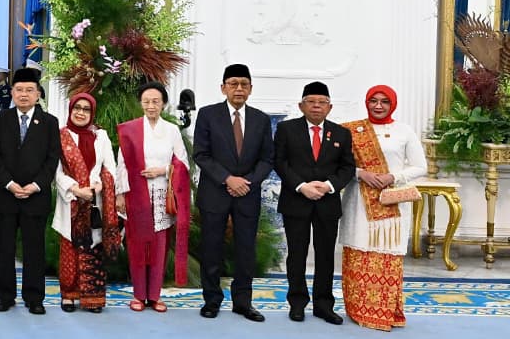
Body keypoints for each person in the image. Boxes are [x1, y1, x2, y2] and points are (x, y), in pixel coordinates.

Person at [192, 64, 274, 322]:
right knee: (211, 248)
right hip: (215, 192)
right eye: (233, 84)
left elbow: (267, 159)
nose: (239, 89)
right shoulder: (208, 115)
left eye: (244, 84)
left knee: (246, 250)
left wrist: (246, 182)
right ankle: (211, 300)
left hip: (247, 193)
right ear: (223, 88)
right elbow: (201, 154)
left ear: (251, 89)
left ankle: (243, 303)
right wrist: (228, 179)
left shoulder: (261, 119)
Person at [339, 85, 424, 331]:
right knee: (359, 252)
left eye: (384, 101)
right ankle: (358, 310)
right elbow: (339, 165)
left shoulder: (404, 131)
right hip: (358, 202)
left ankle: (385, 312)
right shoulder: (351, 130)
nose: (378, 106)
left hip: (391, 206)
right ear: (366, 103)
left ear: (392, 104)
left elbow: (420, 167)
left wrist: (393, 176)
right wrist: (361, 173)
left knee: (387, 254)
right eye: (373, 101)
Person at [273, 81, 356, 325]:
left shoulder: (341, 133)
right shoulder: (286, 129)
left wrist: (329, 186)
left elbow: (347, 167)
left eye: (322, 102)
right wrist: (302, 186)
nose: (316, 106)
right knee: (296, 255)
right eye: (311, 102)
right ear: (301, 106)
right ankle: (297, 303)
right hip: (296, 201)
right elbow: (280, 162)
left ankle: (323, 305)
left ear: (330, 107)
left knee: (326, 255)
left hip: (327, 203)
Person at [0, 67, 59, 315]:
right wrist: (9, 184)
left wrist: (35, 185)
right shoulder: (0, 120)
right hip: (7, 194)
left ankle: (34, 297)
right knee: (5, 250)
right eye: (19, 90)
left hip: (36, 196)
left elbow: (52, 159)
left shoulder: (50, 123)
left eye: (30, 90)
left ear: (38, 94)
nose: (24, 94)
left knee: (34, 249)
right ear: (12, 93)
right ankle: (4, 296)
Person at [116, 81, 191, 313]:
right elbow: (121, 164)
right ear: (141, 103)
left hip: (161, 194)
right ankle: (139, 295)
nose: (151, 106)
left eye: (155, 101)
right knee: (137, 245)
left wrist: (163, 170)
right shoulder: (130, 129)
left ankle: (155, 296)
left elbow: (183, 164)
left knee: (159, 247)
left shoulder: (172, 130)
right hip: (135, 193)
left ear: (164, 104)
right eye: (146, 101)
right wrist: (120, 194)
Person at [53, 91, 121, 313]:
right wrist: (75, 189)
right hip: (71, 201)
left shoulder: (101, 136)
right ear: (70, 110)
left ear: (92, 113)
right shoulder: (61, 136)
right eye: (77, 108)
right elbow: (56, 172)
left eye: (86, 109)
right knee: (69, 247)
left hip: (95, 202)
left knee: (93, 247)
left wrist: (100, 184)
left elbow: (110, 167)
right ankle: (69, 296)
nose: (81, 113)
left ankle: (93, 298)